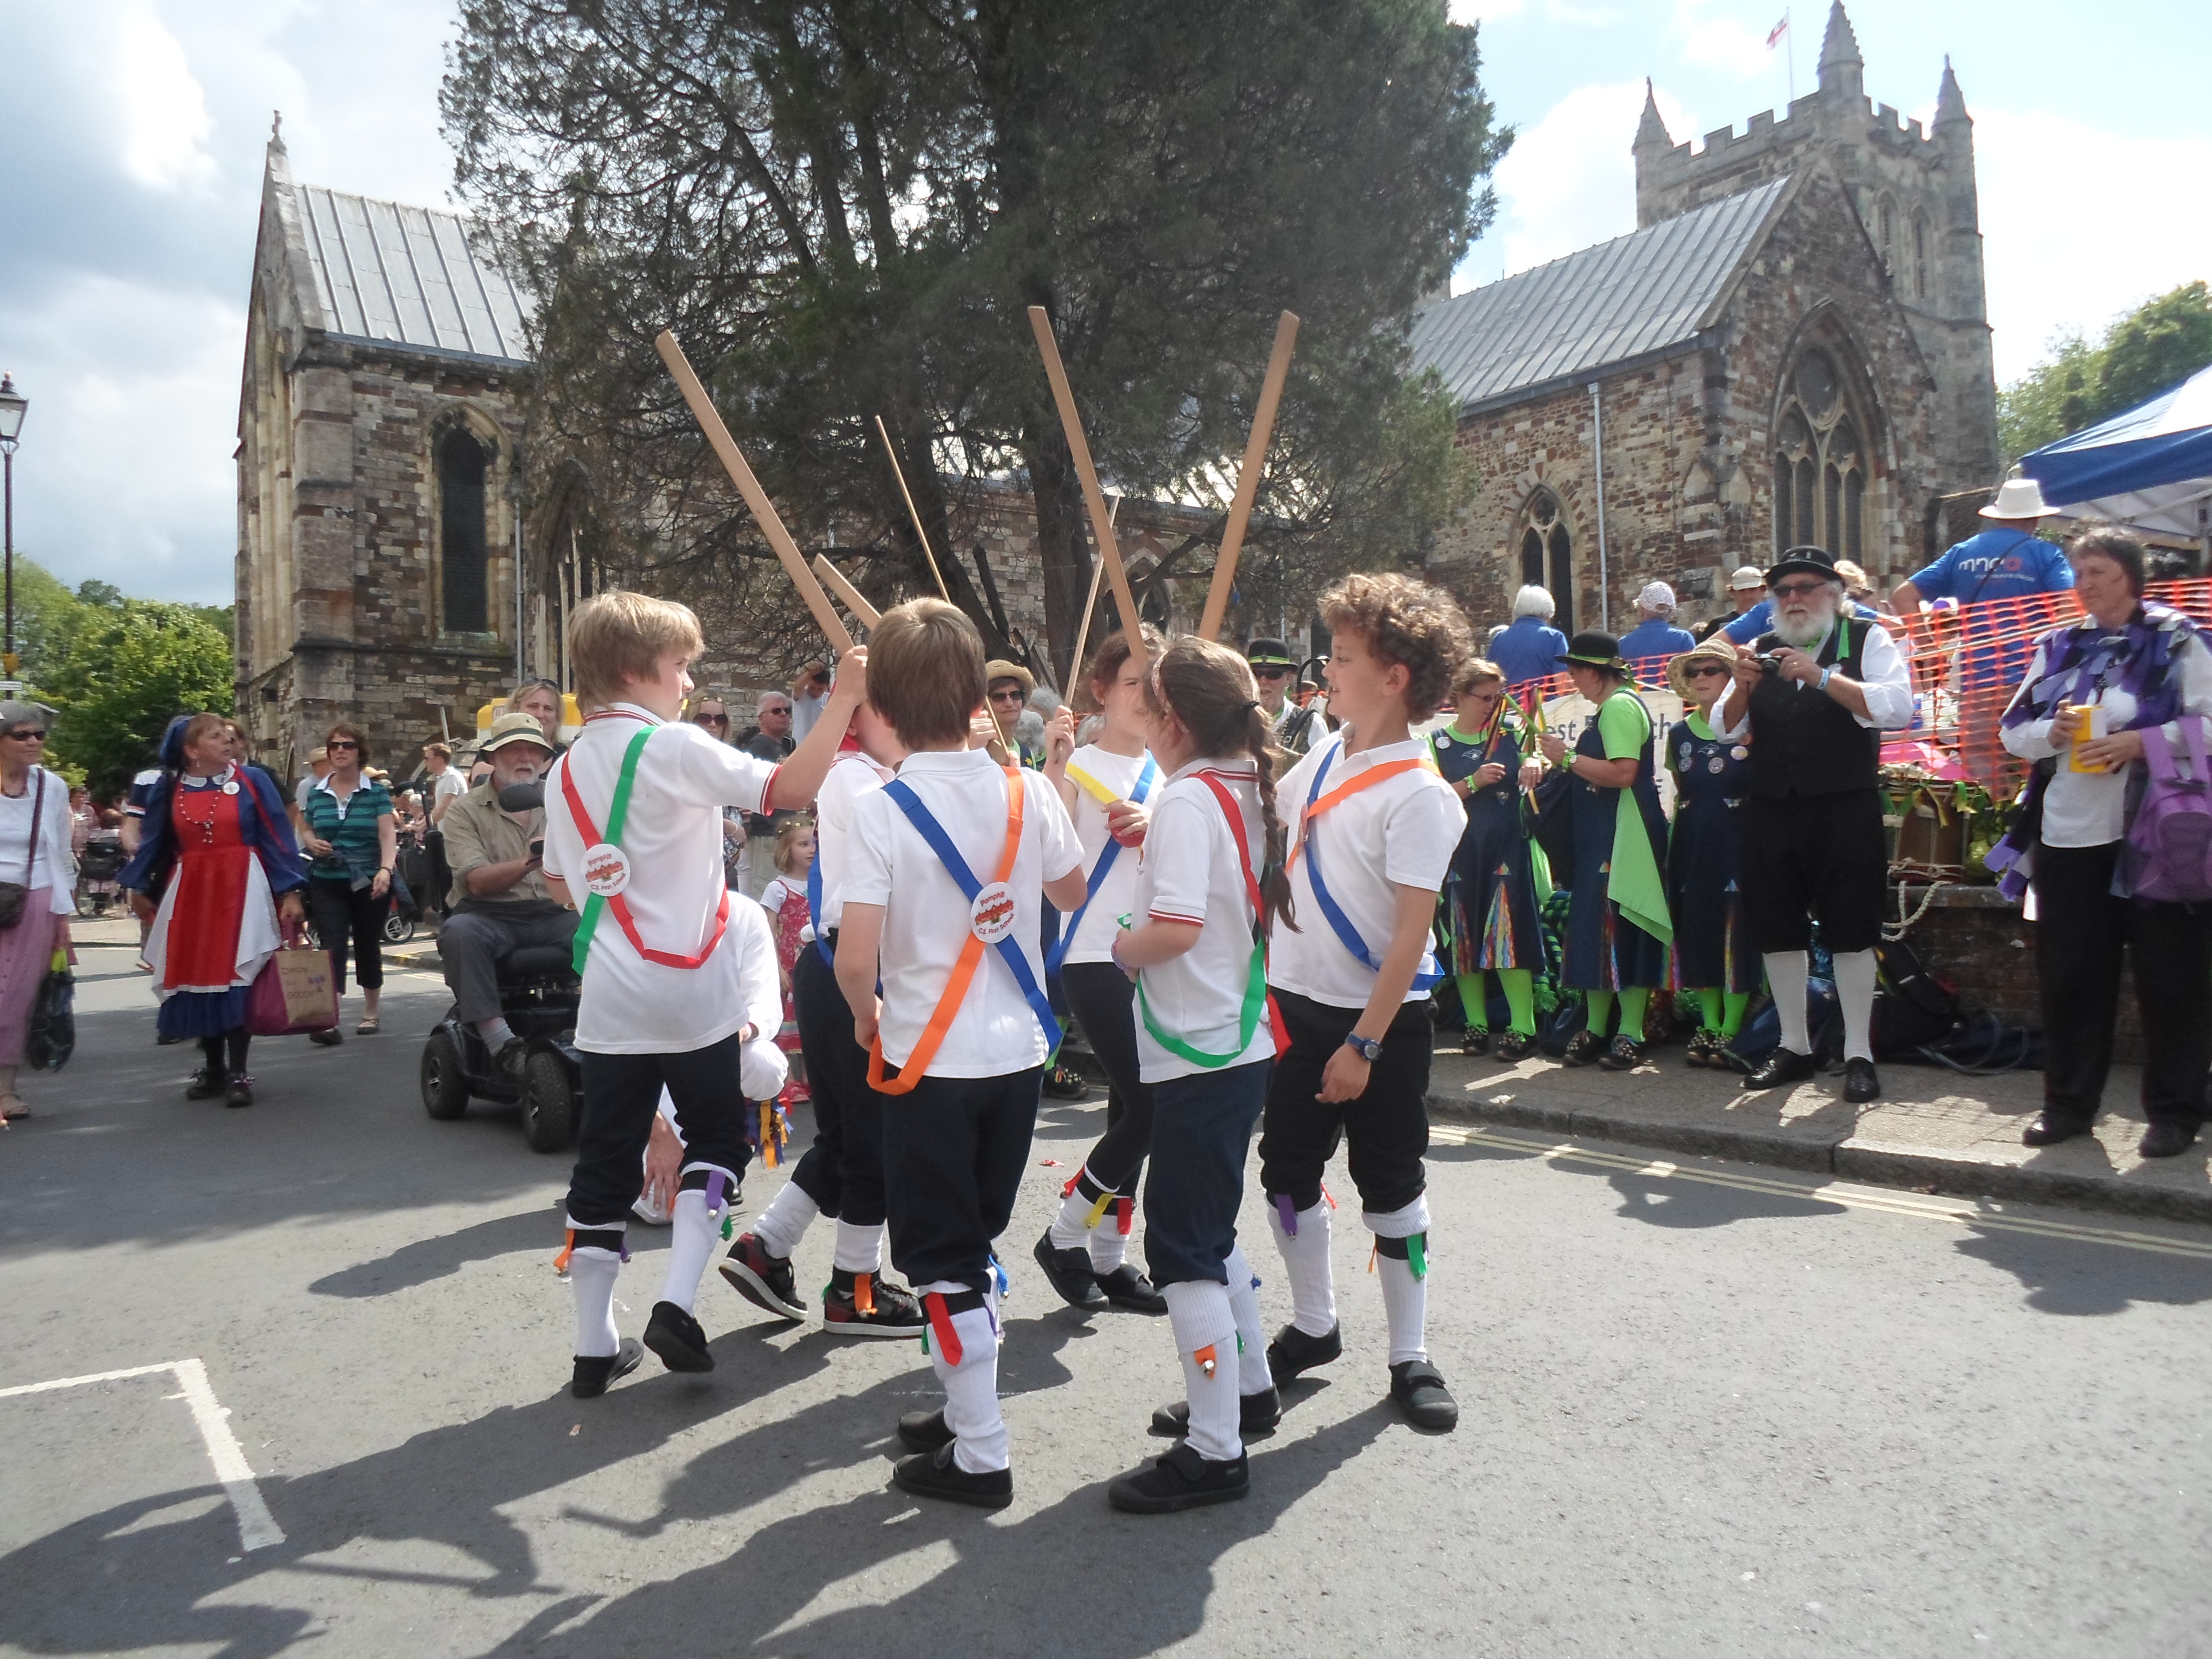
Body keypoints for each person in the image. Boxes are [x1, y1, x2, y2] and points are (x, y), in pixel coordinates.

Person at [542, 590, 863, 1400]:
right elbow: (790, 785)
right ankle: (675, 1305)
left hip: (610, 996)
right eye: (680, 665)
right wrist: (848, 698)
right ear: (633, 669)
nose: (688, 682)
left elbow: (558, 879)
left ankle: (592, 1346)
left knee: (604, 1159)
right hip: (690, 987)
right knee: (716, 1137)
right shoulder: (676, 749)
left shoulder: (566, 765)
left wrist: (619, 906)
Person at [835, 598, 1088, 1509]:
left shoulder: (879, 806)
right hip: (1016, 1054)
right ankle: (960, 1403)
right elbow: (1069, 888)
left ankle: (980, 1450)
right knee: (971, 1242)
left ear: (886, 710)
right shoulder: (1024, 788)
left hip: (924, 1064)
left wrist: (865, 1022)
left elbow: (854, 958)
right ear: (978, 695)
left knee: (940, 1261)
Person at [1261, 572, 1470, 1435]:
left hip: (1375, 1024)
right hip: (1293, 1007)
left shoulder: (1419, 794)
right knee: (1284, 1176)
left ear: (1394, 677)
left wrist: (1365, 1047)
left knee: (1391, 1189)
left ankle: (1409, 1354)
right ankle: (1314, 1325)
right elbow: (1261, 806)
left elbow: (1407, 940)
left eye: (1342, 658)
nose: (1326, 670)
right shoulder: (1321, 752)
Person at [1100, 635, 1290, 1513]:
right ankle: (1243, 1393)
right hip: (1232, 1039)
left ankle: (1214, 1447)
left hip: (1196, 1046)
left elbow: (1171, 928)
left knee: (1181, 1251)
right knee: (1206, 1235)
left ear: (1170, 722)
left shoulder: (1184, 799)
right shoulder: (1249, 784)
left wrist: (1119, 948)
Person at [1995, 527, 2212, 1158]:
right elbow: (2015, 733)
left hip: (2160, 834)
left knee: (2173, 978)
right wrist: (2052, 730)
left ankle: (2176, 1111)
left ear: (2130, 576)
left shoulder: (2178, 638)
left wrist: (2140, 742)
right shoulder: (2058, 645)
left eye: (2097, 571)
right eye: (2079, 572)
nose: (2083, 583)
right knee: (2071, 977)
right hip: (2071, 834)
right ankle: (2067, 1106)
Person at [722, 689, 924, 1337]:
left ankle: (767, 1246)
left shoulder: (875, 772)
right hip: (849, 970)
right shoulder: (853, 775)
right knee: (875, 1138)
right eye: (891, 704)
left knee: (847, 1135)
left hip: (840, 965)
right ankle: (855, 1290)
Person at [1717, 546, 1916, 1104]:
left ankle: (1858, 1052)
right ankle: (1794, 1046)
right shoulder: (1758, 649)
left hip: (1843, 805)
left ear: (1833, 592)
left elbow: (1898, 708)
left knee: (1851, 929)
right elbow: (1724, 731)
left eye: (1804, 588)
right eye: (1783, 591)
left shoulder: (1866, 638)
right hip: (1773, 806)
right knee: (1777, 929)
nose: (1793, 599)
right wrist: (1742, 687)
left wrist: (1822, 675)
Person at [1034, 625, 1172, 1316]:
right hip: (1092, 952)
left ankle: (1111, 1260)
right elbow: (1051, 848)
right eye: (1132, 684)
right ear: (1100, 691)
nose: (1146, 697)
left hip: (1153, 953)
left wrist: (1163, 824)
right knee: (1148, 1106)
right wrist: (1057, 765)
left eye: (1156, 684)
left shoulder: (1172, 769)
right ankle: (1063, 1237)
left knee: (1127, 1107)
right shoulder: (1081, 764)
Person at [118, 712, 309, 1109]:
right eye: (216, 736)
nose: (228, 741)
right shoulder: (170, 790)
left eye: (228, 736)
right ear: (191, 751)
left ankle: (239, 1071)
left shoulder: (253, 782)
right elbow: (154, 843)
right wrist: (138, 886)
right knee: (197, 974)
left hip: (243, 887)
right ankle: (213, 1067)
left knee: (237, 974)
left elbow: (277, 838)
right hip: (192, 890)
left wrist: (291, 891)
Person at [1539, 633, 1672, 1070]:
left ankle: (1628, 1032)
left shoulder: (1619, 707)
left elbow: (1623, 774)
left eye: (1575, 670)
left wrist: (1565, 758)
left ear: (1595, 672)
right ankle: (1598, 1029)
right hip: (1607, 835)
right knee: (1598, 929)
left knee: (1625, 926)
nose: (1572, 679)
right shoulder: (1614, 707)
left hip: (1624, 835)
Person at [1893, 477, 2075, 780]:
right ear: (2035, 517)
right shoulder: (2046, 555)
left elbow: (1903, 596)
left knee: (1984, 778)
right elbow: (2069, 610)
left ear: (1998, 515)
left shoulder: (1963, 552)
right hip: (2029, 682)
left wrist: (1929, 647)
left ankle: (1990, 824)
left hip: (1976, 683)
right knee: (2032, 776)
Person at [436, 714, 576, 1071]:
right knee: (460, 933)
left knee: (608, 929)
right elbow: (477, 882)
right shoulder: (464, 812)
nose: (526, 758)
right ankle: (500, 1041)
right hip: (491, 914)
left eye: (534, 751)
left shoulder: (564, 802)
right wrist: (531, 860)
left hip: (554, 912)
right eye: (515, 750)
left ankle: (603, 1025)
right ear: (493, 758)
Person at [1433, 659, 1547, 1059]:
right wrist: (1473, 782)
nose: (1493, 705)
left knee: (1508, 936)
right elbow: (1430, 799)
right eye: (1485, 698)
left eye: (1499, 697)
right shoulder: (1437, 743)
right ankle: (1476, 1024)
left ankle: (1523, 1026)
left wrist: (1535, 762)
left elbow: (1541, 757)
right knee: (1464, 937)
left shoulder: (1512, 734)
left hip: (1507, 851)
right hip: (1461, 853)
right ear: (1460, 697)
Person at [1664, 639, 1759, 1066]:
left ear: (1730, 678)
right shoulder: (1679, 735)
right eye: (1694, 672)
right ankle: (1708, 1022)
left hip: (1740, 843)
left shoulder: (1754, 728)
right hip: (1694, 843)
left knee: (1737, 930)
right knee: (1700, 928)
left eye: (1711, 670)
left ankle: (1731, 1027)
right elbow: (1685, 793)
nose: (1701, 678)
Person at [0, 706, 78, 1121]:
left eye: (39, 735)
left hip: (35, 897)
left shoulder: (52, 787)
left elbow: (60, 852)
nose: (33, 742)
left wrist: (63, 916)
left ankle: (5, 1090)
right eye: (21, 734)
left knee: (15, 998)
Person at [297, 723, 396, 1045]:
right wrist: (311, 843)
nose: (340, 750)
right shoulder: (317, 793)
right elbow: (306, 827)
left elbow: (387, 835)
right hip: (327, 880)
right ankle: (328, 1017)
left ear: (359, 752)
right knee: (331, 948)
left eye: (347, 745)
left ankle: (371, 1011)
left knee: (368, 944)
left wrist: (386, 870)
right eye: (334, 746)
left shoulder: (376, 793)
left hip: (368, 879)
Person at [754, 817, 816, 1105]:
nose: (812, 849)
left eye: (815, 843)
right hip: (789, 961)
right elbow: (769, 931)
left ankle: (811, 1077)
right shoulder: (778, 888)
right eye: (804, 844)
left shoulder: (823, 882)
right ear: (787, 850)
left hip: (814, 960)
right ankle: (790, 1080)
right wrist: (776, 967)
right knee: (788, 1020)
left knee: (809, 1018)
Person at [737, 691, 796, 898]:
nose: (784, 715)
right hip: (766, 837)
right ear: (761, 718)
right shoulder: (758, 747)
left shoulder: (787, 745)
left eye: (787, 711)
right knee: (767, 896)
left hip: (781, 835)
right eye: (777, 711)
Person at [1245, 637, 1326, 758]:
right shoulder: (1230, 722)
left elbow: (1327, 773)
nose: (1263, 681)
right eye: (1255, 674)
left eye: (1274, 674)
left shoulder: (1313, 724)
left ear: (1288, 678)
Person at [1488, 586, 1570, 687]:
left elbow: (1488, 679)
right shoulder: (1555, 637)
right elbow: (1563, 684)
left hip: (1508, 702)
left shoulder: (1499, 638)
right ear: (1546, 613)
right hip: (1544, 702)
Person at [983, 660, 1044, 767]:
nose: (1009, 703)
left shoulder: (1026, 754)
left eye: (1015, 695)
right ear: (984, 705)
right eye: (999, 697)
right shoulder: (977, 751)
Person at [1617, 581, 1695, 665]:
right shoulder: (1683, 639)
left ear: (1642, 610)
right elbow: (1691, 673)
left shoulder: (1622, 644)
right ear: (1670, 612)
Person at [1698, 566, 1770, 644]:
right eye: (1742, 591)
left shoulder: (1772, 620)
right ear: (1733, 593)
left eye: (1753, 589)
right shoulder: (1718, 624)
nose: (1748, 596)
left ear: (1763, 590)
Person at [507, 679, 566, 748]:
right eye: (533, 707)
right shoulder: (498, 754)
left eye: (548, 709)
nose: (540, 715)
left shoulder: (569, 757)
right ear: (516, 709)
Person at [791, 659, 832, 744]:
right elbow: (798, 686)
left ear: (827, 687)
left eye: (820, 689)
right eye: (812, 688)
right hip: (800, 747)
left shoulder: (829, 700)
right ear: (808, 683)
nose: (816, 692)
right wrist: (810, 673)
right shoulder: (802, 696)